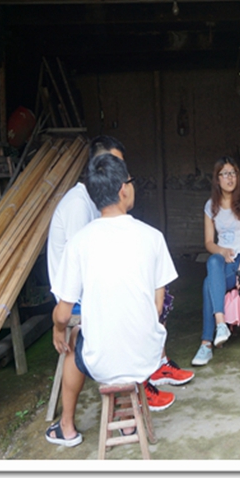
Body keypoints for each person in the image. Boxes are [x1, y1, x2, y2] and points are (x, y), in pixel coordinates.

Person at [47, 135, 194, 401]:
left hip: (99, 366)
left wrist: (58, 329)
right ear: (123, 189)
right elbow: (157, 307)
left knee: (76, 339)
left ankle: (67, 421)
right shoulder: (153, 237)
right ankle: (142, 390)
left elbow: (63, 314)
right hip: (148, 358)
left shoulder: (80, 242)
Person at [191, 156, 240, 366]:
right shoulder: (210, 206)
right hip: (222, 260)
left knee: (207, 284)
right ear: (217, 179)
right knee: (213, 261)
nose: (230, 178)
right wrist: (222, 250)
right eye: (225, 174)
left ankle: (206, 344)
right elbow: (209, 242)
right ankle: (220, 324)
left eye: (233, 173)